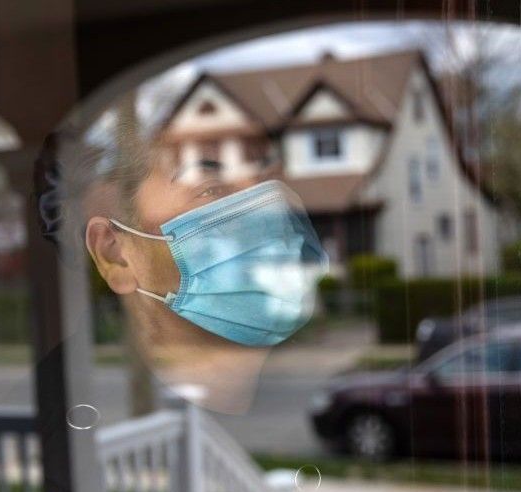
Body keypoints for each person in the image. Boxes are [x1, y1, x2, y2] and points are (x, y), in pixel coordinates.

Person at [35, 118, 327, 413]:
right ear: (116, 257)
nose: (268, 217)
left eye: (268, 185)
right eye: (210, 190)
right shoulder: (62, 396)